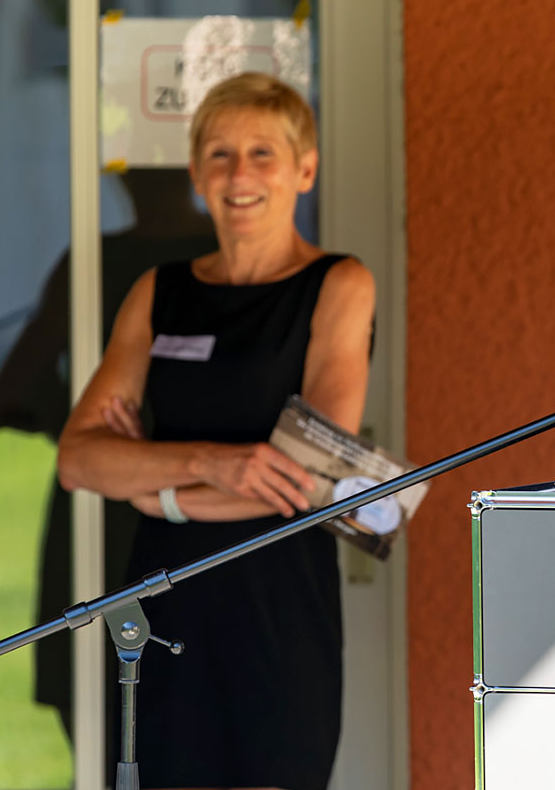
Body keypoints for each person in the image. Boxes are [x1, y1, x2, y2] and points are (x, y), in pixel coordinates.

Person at [57, 72, 375, 790]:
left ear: (305, 168)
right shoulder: (158, 293)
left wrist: (156, 485)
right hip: (163, 613)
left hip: (277, 614)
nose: (240, 175)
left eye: (263, 153)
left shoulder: (338, 285)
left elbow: (312, 475)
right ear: (197, 173)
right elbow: (80, 459)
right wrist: (215, 462)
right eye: (221, 155)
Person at [0, 169, 218, 760]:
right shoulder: (100, 260)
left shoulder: (223, 257)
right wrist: (91, 437)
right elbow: (12, 391)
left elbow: (15, 391)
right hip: (105, 506)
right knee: (97, 717)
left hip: (205, 508)